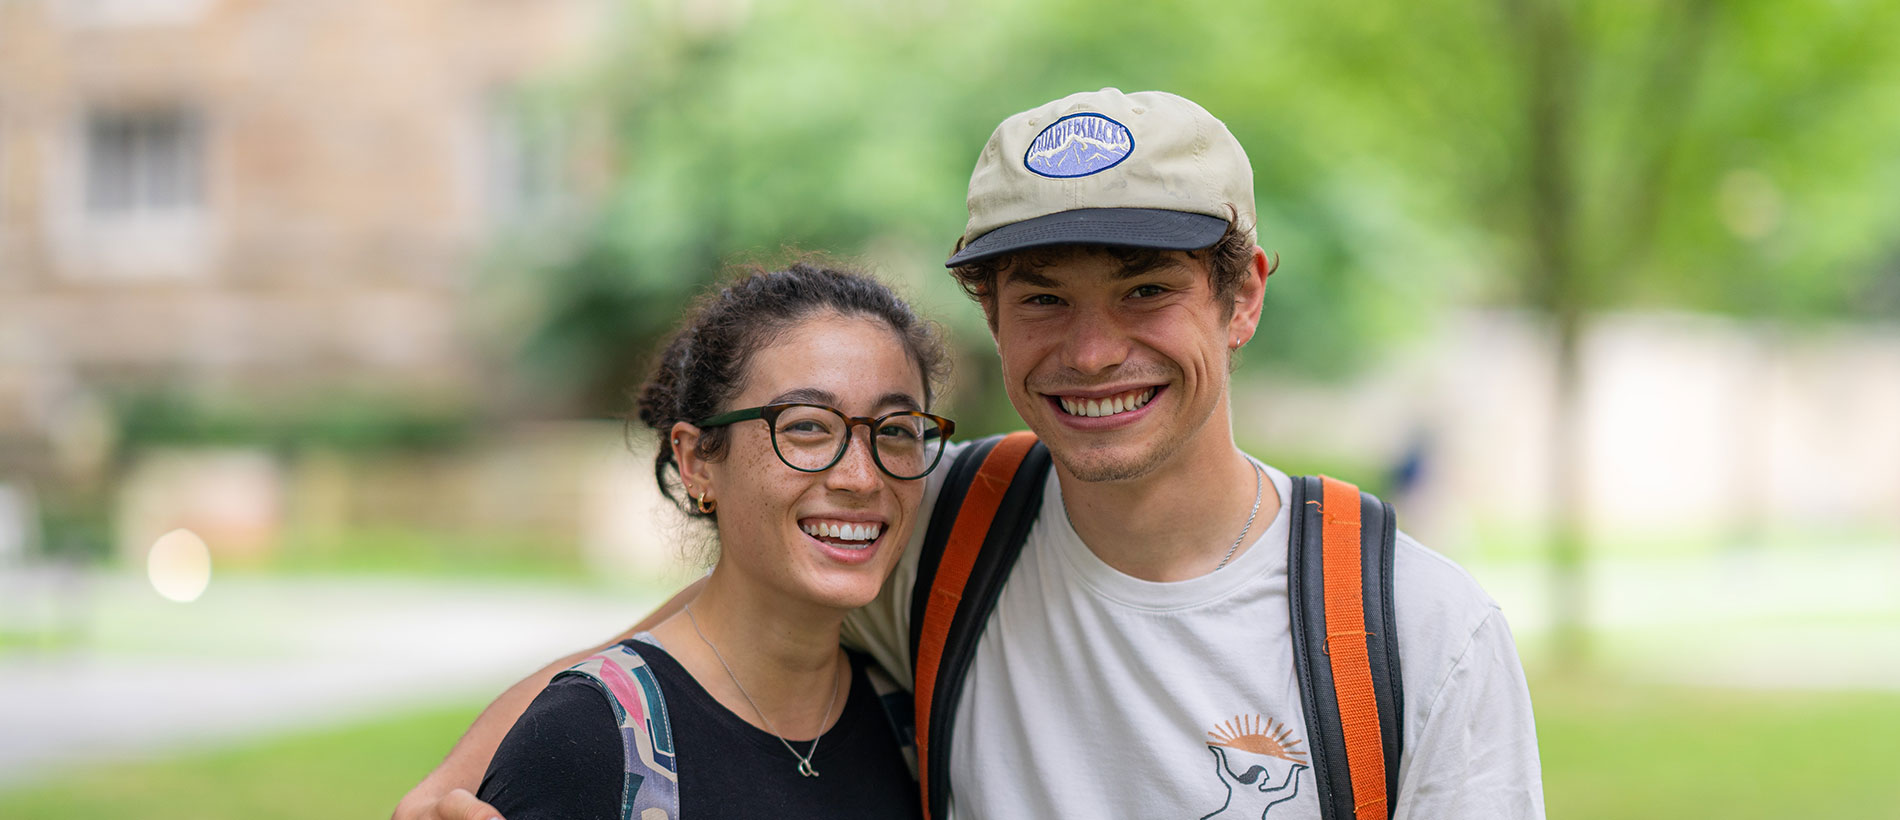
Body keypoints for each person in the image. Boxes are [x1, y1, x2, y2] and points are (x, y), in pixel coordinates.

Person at [397, 89, 1543, 820]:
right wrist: (447, 787)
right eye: (1043, 298)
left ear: (1240, 296)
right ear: (991, 316)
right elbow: (694, 639)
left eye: (1145, 292)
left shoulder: (1411, 631)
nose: (1093, 352)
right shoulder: (935, 521)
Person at [471, 263, 950, 819]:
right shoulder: (588, 738)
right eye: (807, 426)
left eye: (894, 431)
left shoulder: (908, 725)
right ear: (697, 461)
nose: (862, 477)